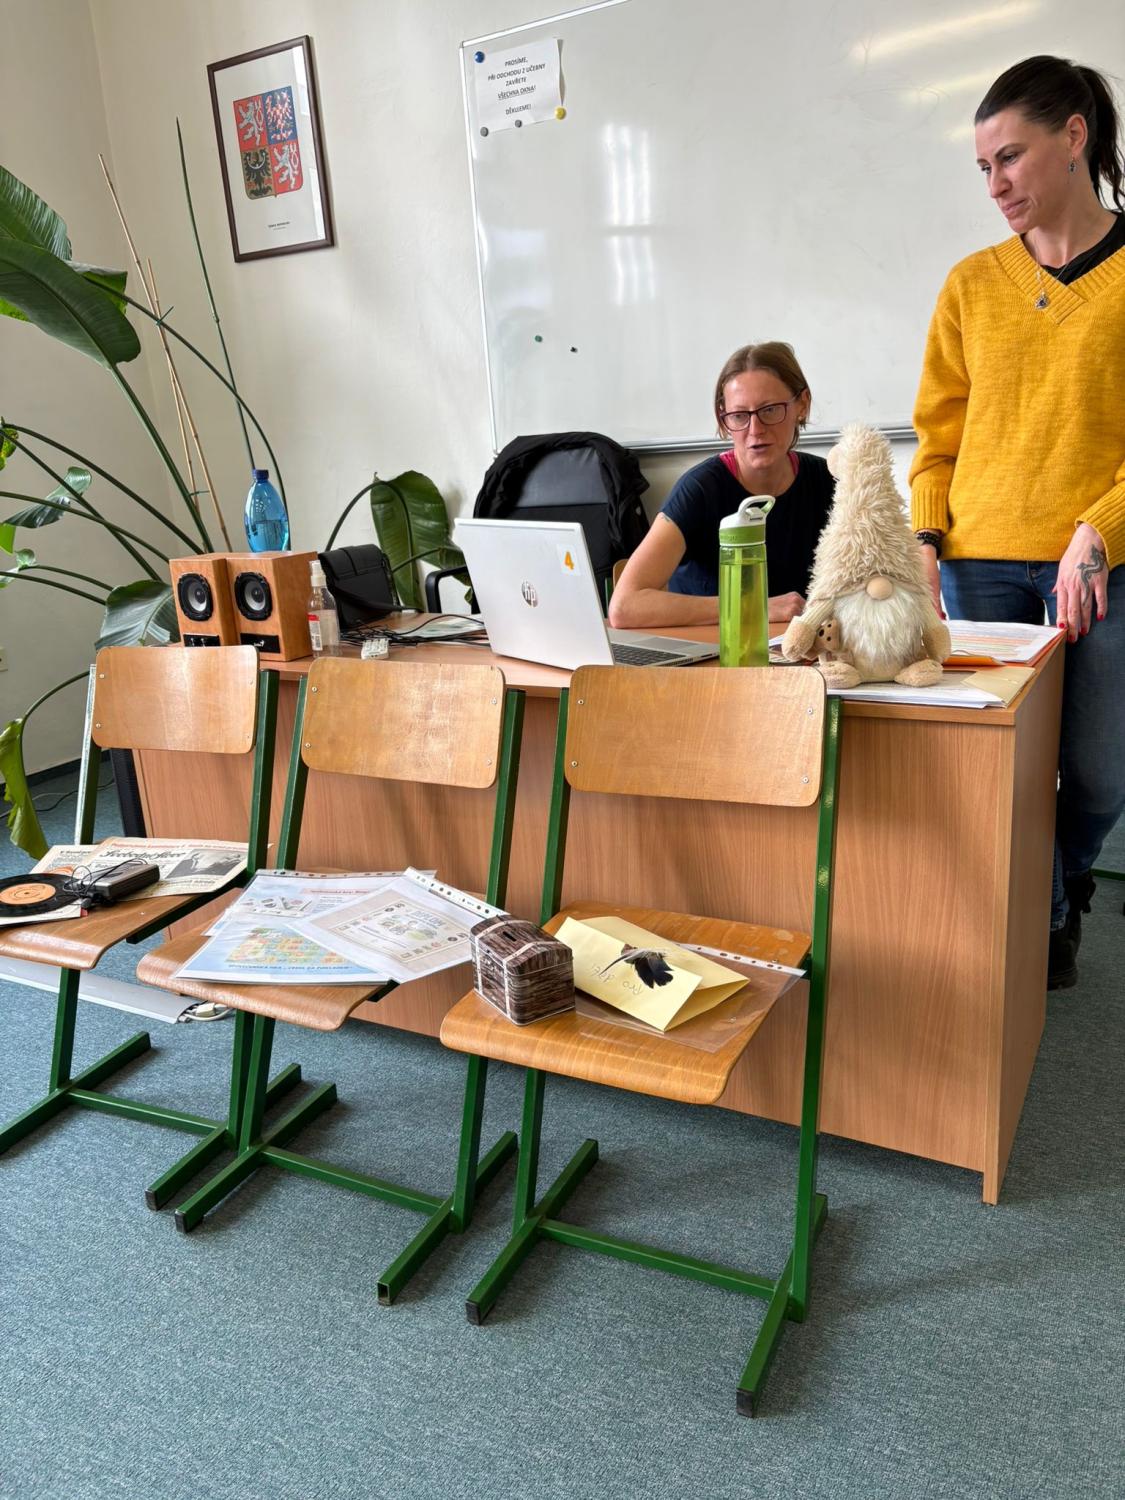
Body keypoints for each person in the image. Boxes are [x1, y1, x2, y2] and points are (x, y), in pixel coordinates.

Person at [910, 55, 1125, 989]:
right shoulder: (970, 284)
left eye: (1008, 158)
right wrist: (923, 542)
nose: (994, 185)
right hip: (980, 563)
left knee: (1099, 771)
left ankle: (1065, 880)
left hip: (1103, 563)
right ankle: (1045, 917)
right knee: (1004, 771)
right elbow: (936, 437)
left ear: (1073, 137)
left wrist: (1098, 527)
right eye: (982, 168)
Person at [608, 342, 834, 629]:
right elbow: (625, 606)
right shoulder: (700, 489)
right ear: (724, 419)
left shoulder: (829, 482)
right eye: (739, 416)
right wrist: (753, 607)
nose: (755, 430)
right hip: (711, 652)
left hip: (797, 651)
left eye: (770, 410)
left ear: (802, 404)